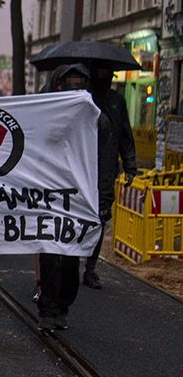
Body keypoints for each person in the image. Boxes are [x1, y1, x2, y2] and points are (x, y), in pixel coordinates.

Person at [37, 63, 115, 331]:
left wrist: (105, 200)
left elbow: (106, 163)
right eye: (69, 79)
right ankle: (47, 307)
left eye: (79, 80)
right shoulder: (45, 116)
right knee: (49, 252)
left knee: (70, 256)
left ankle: (63, 306)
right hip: (49, 195)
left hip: (79, 198)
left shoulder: (97, 120)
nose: (75, 84)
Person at [83, 60, 137, 289]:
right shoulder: (83, 98)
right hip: (82, 165)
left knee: (101, 216)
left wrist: (130, 165)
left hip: (106, 169)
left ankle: (90, 267)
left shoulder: (116, 100)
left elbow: (125, 133)